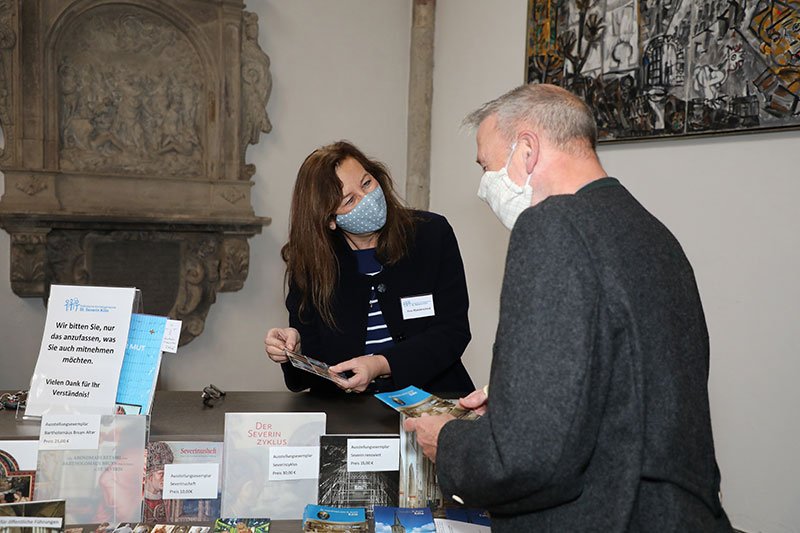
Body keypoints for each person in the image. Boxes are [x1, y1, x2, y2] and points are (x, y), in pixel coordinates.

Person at [403, 84, 732, 532]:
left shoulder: (551, 226)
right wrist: (521, 398)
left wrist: (448, 441)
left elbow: (527, 456)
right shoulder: (653, 234)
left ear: (527, 150)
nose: (485, 186)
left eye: (487, 165)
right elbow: (633, 389)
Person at [264, 141, 474, 394]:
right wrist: (294, 353)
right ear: (329, 219)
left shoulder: (431, 234)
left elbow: (453, 332)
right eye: (350, 200)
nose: (367, 199)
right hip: (349, 413)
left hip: (433, 398)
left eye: (367, 183)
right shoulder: (312, 263)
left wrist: (380, 364)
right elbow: (305, 379)